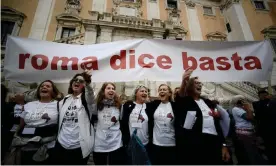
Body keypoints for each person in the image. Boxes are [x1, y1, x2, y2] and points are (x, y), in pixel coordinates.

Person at [174, 69, 230, 164]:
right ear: (190, 86)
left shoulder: (208, 103)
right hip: (196, 144)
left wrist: (223, 145)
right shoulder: (186, 102)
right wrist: (184, 81)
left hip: (214, 142)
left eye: (200, 83)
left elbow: (217, 125)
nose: (199, 85)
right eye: (196, 83)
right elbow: (179, 98)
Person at [14, 80, 60, 165]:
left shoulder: (59, 105)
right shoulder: (28, 105)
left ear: (53, 91)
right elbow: (22, 125)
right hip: (27, 145)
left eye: (48, 86)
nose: (44, 87)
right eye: (42, 86)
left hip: (48, 147)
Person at [54, 70, 95, 165]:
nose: (77, 82)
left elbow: (91, 96)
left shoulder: (86, 100)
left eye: (81, 81)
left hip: (78, 146)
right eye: (75, 80)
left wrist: (88, 84)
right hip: (61, 143)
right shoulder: (64, 100)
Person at [92, 82, 125, 165]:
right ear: (103, 91)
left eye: (113, 89)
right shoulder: (97, 105)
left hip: (116, 143)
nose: (111, 90)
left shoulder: (119, 106)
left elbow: (121, 121)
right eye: (108, 88)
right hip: (100, 143)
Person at [147, 84, 177, 165]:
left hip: (171, 144)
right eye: (160, 90)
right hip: (156, 143)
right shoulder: (154, 105)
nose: (162, 91)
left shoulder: (175, 106)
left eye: (164, 90)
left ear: (170, 93)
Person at [121, 85, 152, 163]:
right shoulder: (128, 105)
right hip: (131, 143)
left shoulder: (149, 107)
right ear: (136, 93)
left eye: (146, 91)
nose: (144, 93)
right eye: (142, 91)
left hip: (145, 143)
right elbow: (123, 123)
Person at [232, 99, 266, 164]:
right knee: (250, 153)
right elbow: (250, 117)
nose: (244, 103)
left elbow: (253, 118)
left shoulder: (242, 109)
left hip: (249, 133)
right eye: (242, 101)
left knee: (253, 152)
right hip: (244, 134)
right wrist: (248, 108)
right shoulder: (236, 109)